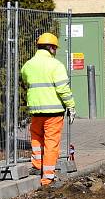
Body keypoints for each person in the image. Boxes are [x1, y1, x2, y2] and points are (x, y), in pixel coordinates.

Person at [20, 33, 76, 186]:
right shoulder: (56, 65)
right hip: (54, 112)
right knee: (51, 143)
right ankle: (48, 177)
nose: (56, 51)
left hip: (35, 110)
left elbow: (25, 82)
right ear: (51, 48)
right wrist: (71, 106)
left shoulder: (28, 65)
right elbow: (63, 89)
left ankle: (37, 166)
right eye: (55, 48)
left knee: (37, 139)